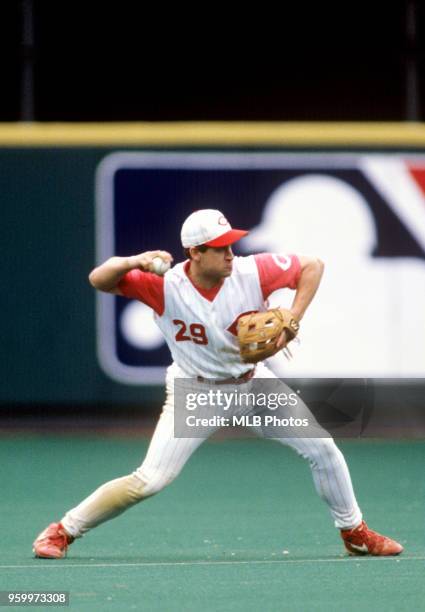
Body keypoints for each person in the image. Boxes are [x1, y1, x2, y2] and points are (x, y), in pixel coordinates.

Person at [32, 209, 403, 558]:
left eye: (231, 244)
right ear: (195, 252)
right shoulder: (164, 285)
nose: (230, 253)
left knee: (323, 448)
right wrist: (133, 261)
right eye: (220, 247)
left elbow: (313, 265)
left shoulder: (251, 271)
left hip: (254, 386)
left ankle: (354, 532)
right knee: (150, 479)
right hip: (197, 393)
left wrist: (293, 315)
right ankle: (61, 531)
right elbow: (99, 278)